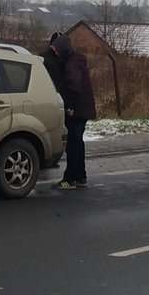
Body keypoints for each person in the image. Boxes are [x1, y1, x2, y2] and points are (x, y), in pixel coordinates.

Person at [51, 35, 96, 190]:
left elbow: (74, 88)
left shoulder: (71, 64)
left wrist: (69, 107)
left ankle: (70, 179)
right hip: (82, 109)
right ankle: (80, 176)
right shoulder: (76, 60)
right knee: (77, 142)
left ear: (63, 48)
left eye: (56, 49)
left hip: (77, 110)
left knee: (73, 144)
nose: (55, 52)